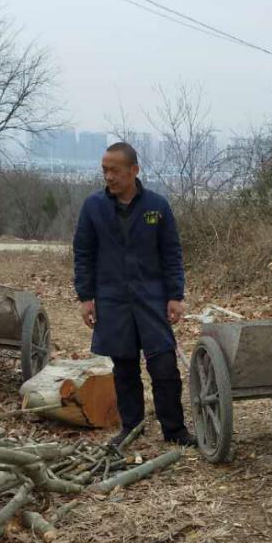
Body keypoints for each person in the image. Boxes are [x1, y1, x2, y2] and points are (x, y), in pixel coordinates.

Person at [73, 142, 195, 447]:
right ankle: (132, 426)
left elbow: (171, 253)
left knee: (164, 367)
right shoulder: (93, 207)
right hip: (112, 299)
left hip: (151, 297)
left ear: (134, 170)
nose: (109, 177)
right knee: (124, 368)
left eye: (115, 170)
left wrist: (175, 296)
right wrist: (86, 297)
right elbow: (83, 254)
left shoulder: (157, 206)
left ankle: (174, 429)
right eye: (105, 170)